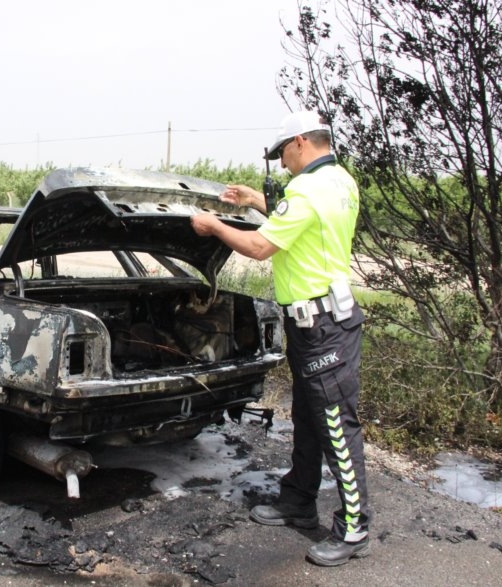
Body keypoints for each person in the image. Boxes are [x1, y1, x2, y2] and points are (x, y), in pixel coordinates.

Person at [190, 110, 370, 567]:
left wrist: (213, 227)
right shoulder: (340, 182)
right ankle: (298, 500)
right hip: (325, 320)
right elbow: (300, 222)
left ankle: (354, 529)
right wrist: (256, 202)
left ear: (299, 143)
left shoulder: (305, 189)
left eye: (282, 154)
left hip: (321, 325)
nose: (283, 163)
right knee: (310, 416)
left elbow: (258, 247)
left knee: (334, 423)